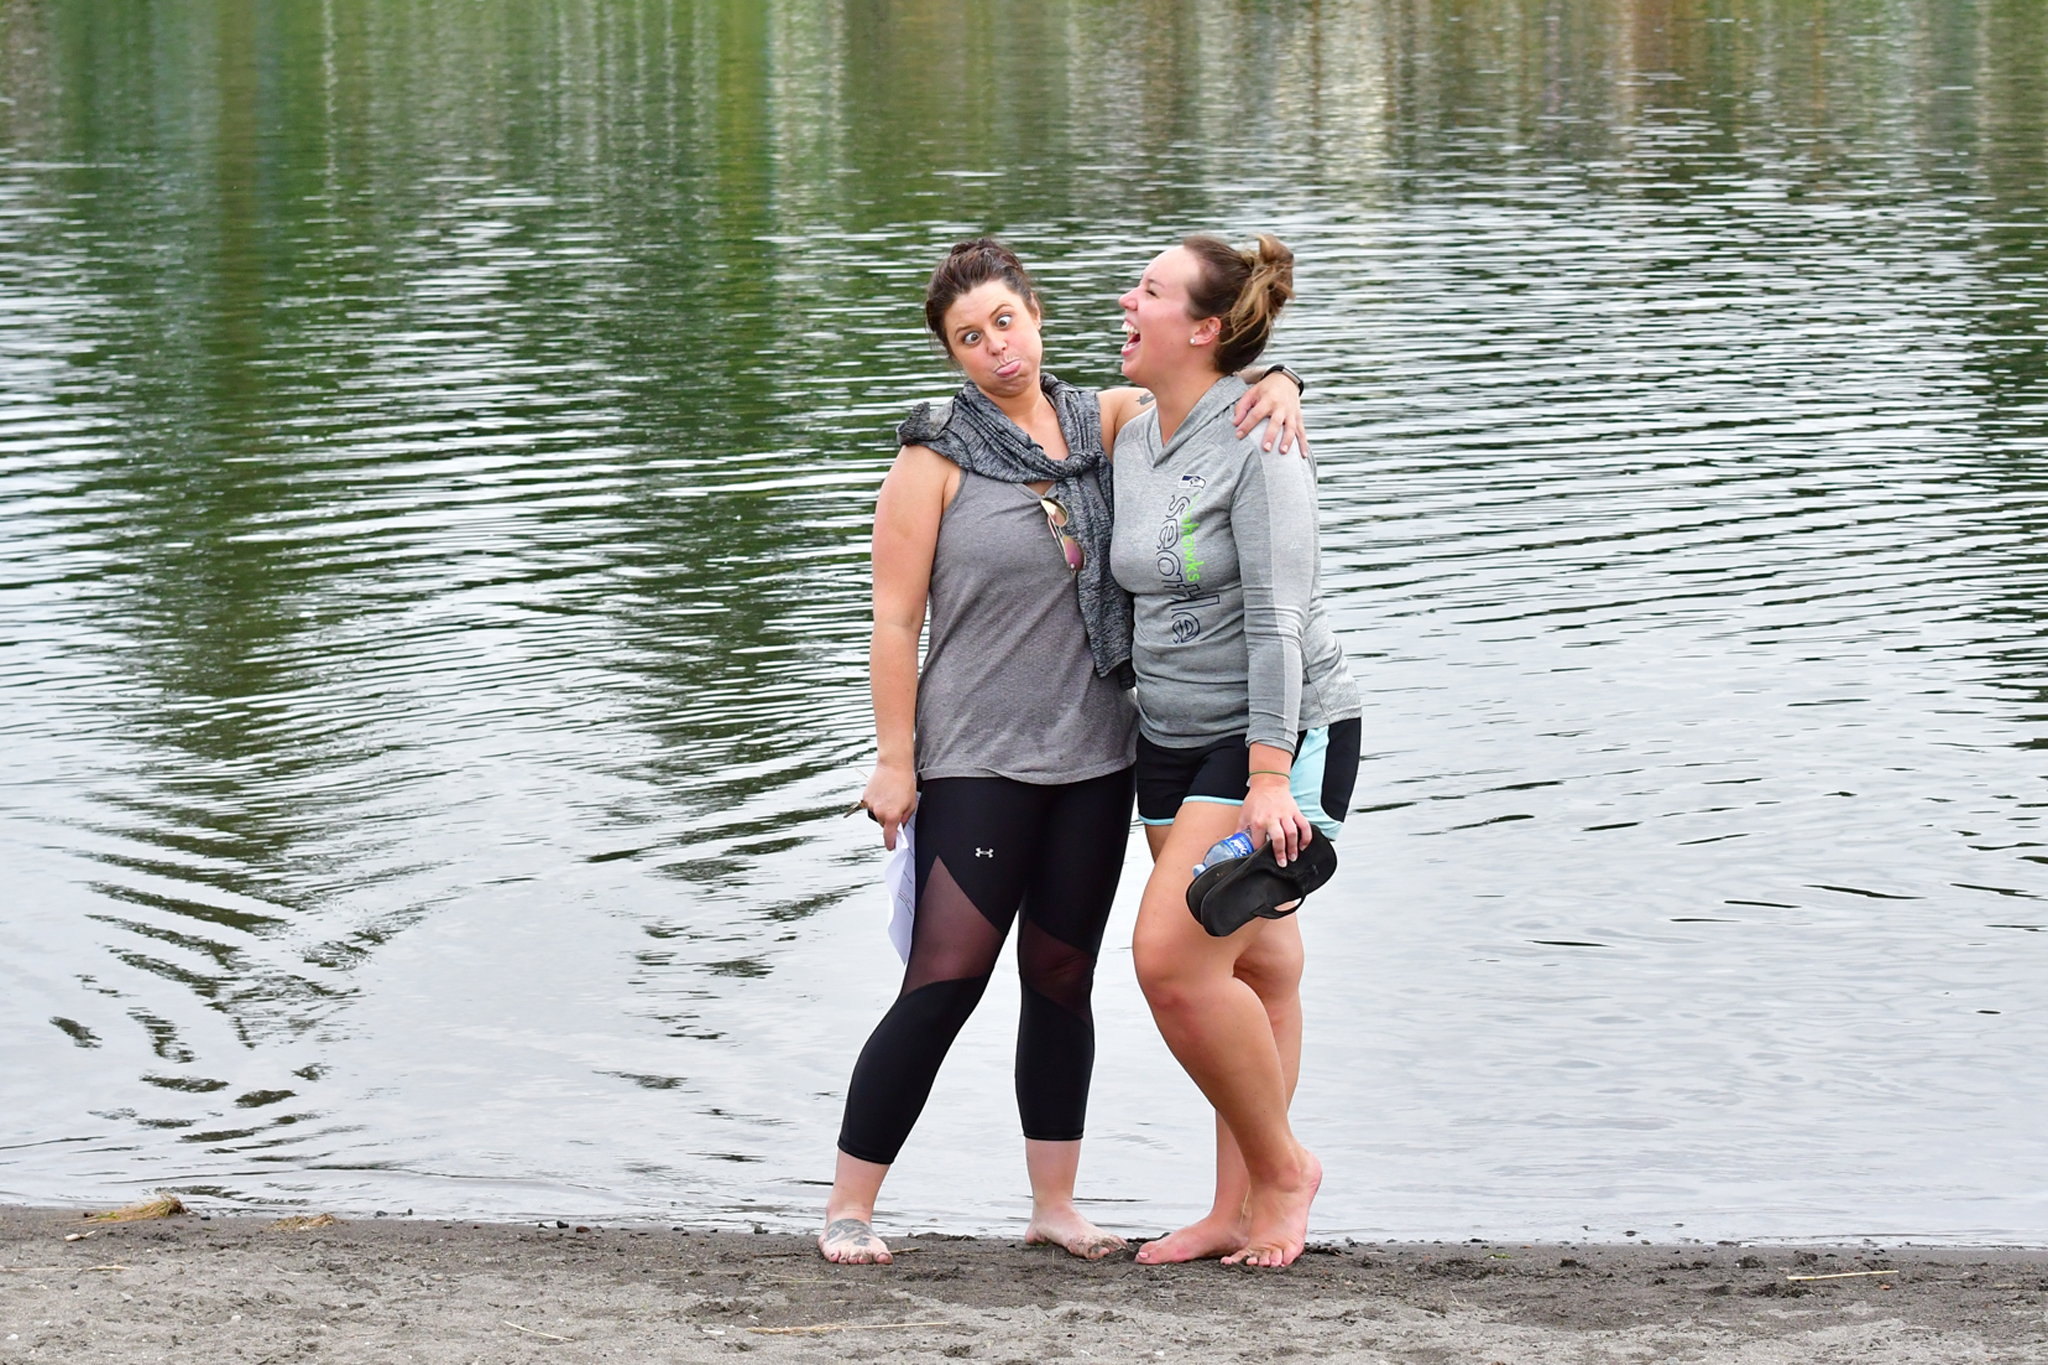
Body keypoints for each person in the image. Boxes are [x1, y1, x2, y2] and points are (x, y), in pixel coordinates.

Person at [821, 239, 1309, 1266]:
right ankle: (849, 1205)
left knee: (1059, 975)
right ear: (950, 355)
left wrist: (1279, 380)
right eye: (968, 338)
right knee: (943, 976)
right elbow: (889, 620)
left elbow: (1206, 396)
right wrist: (893, 760)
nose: (994, 348)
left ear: (1034, 316)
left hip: (1096, 757)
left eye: (1004, 321)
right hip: (976, 756)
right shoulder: (934, 455)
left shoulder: (1104, 420)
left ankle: (1054, 1202)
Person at [1110, 234, 1362, 1269]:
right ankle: (1232, 1210)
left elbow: (1278, 622)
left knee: (1169, 960)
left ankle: (1282, 1172)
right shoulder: (1132, 428)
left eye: (1149, 290)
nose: (1126, 299)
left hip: (1274, 731)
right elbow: (1014, 401)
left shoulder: (1260, 439)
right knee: (1252, 963)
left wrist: (1267, 778)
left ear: (1203, 328)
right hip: (1166, 737)